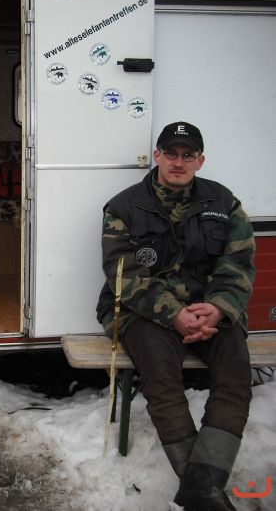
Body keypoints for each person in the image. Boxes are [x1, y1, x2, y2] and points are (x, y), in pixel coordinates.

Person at [96, 122, 255, 510]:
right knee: (162, 381)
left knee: (235, 377)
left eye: (188, 155)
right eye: (170, 153)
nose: (178, 162)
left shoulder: (225, 203)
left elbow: (238, 265)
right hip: (141, 311)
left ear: (201, 160)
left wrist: (218, 308)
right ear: (157, 156)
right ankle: (207, 496)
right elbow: (124, 275)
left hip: (208, 309)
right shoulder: (123, 207)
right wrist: (175, 314)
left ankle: (202, 490)